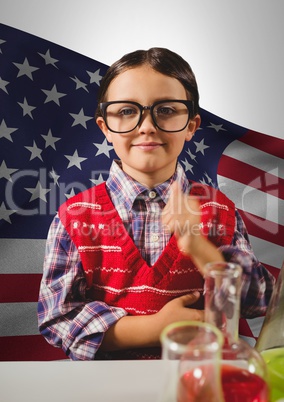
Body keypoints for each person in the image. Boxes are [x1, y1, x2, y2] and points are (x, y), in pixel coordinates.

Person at [38, 47, 274, 360]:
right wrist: (155, 327)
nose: (147, 126)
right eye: (126, 111)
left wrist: (202, 249)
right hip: (106, 387)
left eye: (166, 110)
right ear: (105, 128)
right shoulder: (75, 218)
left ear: (191, 125)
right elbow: (59, 318)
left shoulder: (218, 212)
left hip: (198, 382)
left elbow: (259, 301)